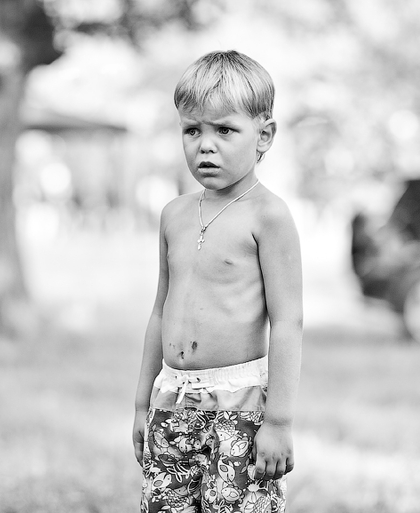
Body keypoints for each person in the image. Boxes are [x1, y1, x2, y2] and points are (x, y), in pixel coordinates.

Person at [132, 50, 303, 513]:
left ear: (264, 135)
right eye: (192, 130)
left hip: (239, 404)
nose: (205, 145)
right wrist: (142, 403)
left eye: (224, 130)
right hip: (172, 398)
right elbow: (160, 310)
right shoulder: (174, 214)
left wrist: (279, 421)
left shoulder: (269, 216)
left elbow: (288, 322)